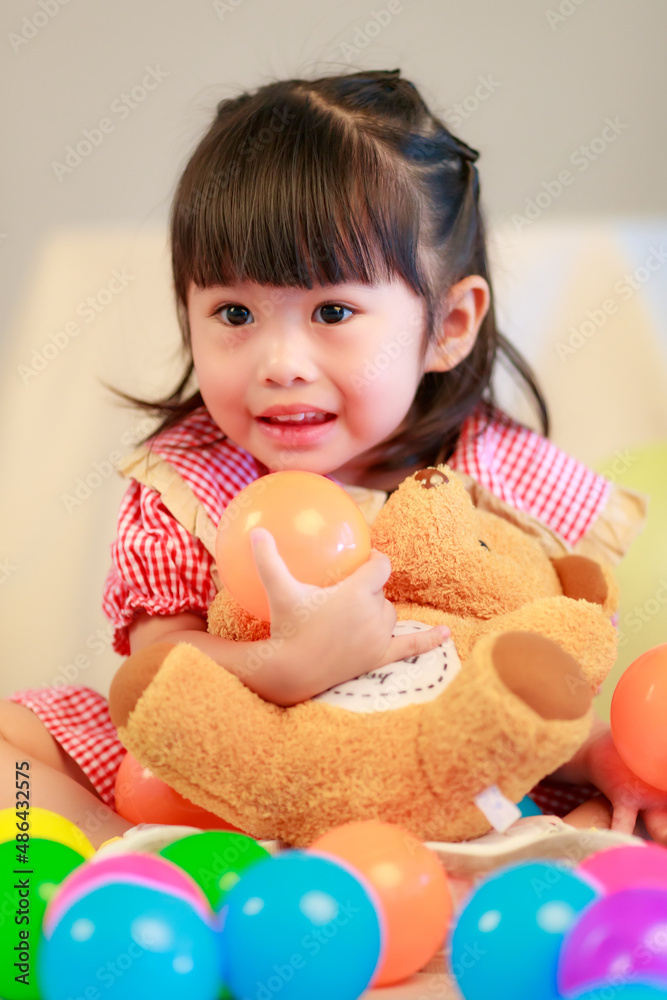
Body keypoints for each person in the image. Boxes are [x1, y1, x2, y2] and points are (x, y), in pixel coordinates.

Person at [2, 67, 663, 849]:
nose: (280, 361)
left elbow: (539, 671)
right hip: (243, 766)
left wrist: (600, 759)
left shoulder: (505, 484)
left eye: (333, 311)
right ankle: (143, 857)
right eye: (235, 312)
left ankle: (445, 876)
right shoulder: (190, 479)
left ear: (449, 323)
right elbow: (158, 669)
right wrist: (285, 664)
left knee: (616, 810)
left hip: (434, 763)